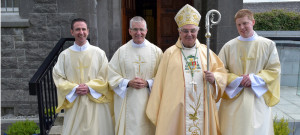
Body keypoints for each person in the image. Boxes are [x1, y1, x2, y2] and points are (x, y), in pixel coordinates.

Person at [146, 4, 227, 135]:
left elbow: (221, 73)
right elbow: (160, 84)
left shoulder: (206, 52)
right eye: (185, 31)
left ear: (198, 31)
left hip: (203, 108)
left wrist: (214, 79)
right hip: (176, 111)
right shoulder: (169, 53)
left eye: (192, 30)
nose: (189, 34)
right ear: (179, 32)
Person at [218, 9, 281, 135]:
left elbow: (274, 69)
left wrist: (252, 79)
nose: (242, 27)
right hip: (234, 100)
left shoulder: (268, 45)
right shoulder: (229, 46)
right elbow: (220, 70)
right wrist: (238, 80)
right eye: (239, 24)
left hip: (257, 98)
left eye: (245, 23)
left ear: (253, 22)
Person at [52, 18, 114, 135]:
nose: (81, 32)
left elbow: (105, 76)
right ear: (72, 32)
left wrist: (89, 87)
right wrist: (74, 88)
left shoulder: (99, 53)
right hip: (75, 103)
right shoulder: (65, 55)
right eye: (77, 29)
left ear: (88, 31)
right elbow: (58, 77)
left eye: (83, 29)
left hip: (96, 102)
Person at [108, 16, 163, 135]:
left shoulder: (156, 52)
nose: (139, 33)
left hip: (150, 100)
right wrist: (128, 82)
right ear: (130, 31)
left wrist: (148, 83)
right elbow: (110, 74)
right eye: (135, 29)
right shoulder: (121, 52)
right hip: (128, 100)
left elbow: (163, 76)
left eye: (141, 29)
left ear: (146, 31)